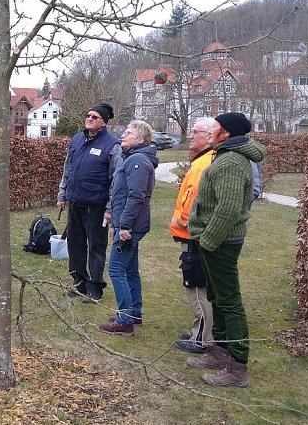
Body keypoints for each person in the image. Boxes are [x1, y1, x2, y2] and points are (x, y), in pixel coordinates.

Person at [186, 112, 266, 388]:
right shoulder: (226, 154)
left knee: (229, 300)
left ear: (227, 133)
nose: (211, 132)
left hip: (221, 242)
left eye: (216, 128)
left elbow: (229, 209)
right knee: (217, 297)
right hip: (214, 240)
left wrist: (208, 240)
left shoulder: (232, 161)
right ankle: (220, 351)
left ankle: (237, 366)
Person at [97, 120, 158, 336]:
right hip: (127, 223)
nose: (123, 135)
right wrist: (115, 219)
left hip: (131, 225)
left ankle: (125, 320)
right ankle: (134, 314)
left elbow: (136, 196)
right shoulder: (132, 158)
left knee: (116, 269)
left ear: (140, 139)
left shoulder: (138, 161)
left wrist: (124, 226)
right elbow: (121, 194)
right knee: (130, 270)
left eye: (128, 133)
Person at [57, 104, 121, 303]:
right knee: (75, 245)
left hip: (97, 206)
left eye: (94, 116)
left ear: (103, 122)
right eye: (88, 115)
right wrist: (62, 194)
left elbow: (116, 180)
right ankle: (79, 283)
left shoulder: (111, 145)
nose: (89, 118)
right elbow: (68, 168)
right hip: (75, 203)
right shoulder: (77, 139)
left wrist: (110, 208)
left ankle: (95, 287)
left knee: (96, 247)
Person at [169, 118, 217, 352]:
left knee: (196, 286)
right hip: (194, 235)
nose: (190, 136)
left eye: (195, 132)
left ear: (209, 137)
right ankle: (200, 331)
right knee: (198, 285)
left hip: (193, 236)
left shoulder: (203, 164)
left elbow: (194, 201)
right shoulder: (204, 161)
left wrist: (180, 221)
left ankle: (201, 339)